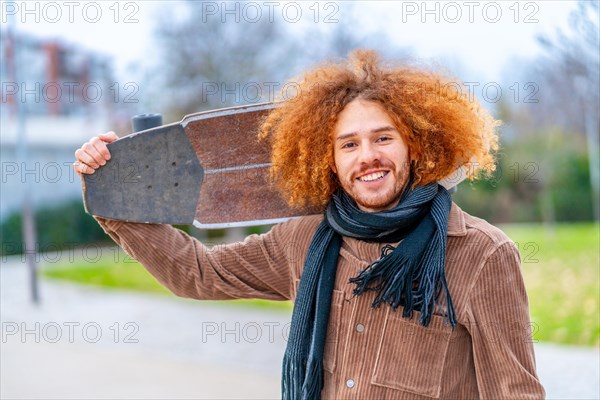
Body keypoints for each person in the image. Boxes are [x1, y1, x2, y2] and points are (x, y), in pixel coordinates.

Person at [74, 50, 545, 399]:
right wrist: (112, 193)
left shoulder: (482, 255)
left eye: (384, 138)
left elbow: (515, 391)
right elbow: (197, 273)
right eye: (349, 145)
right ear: (330, 162)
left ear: (416, 146)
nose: (368, 157)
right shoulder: (304, 239)